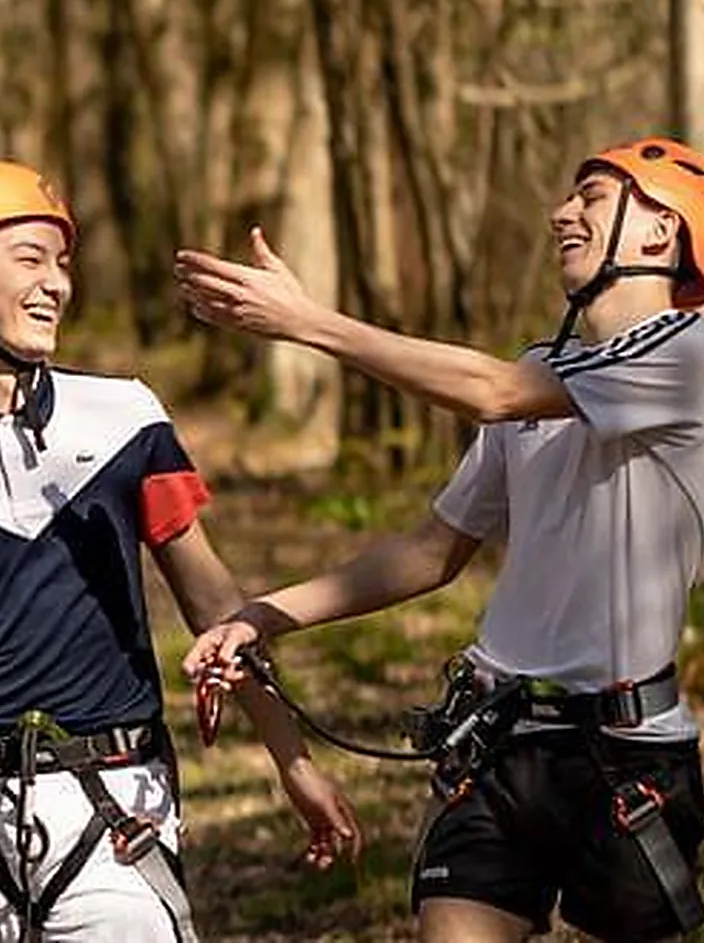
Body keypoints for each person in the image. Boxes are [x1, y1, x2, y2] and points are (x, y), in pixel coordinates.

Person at [0, 159, 361, 943]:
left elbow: (215, 607)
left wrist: (294, 765)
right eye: (29, 259)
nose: (56, 284)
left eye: (62, 264)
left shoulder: (128, 419)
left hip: (119, 807)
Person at [176, 137, 704, 943]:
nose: (562, 212)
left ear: (661, 232)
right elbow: (431, 553)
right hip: (498, 742)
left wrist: (309, 323)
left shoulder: (687, 355)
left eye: (592, 197)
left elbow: (490, 392)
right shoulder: (541, 366)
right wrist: (261, 616)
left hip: (629, 763)